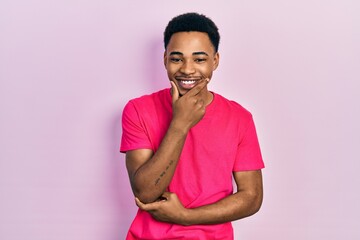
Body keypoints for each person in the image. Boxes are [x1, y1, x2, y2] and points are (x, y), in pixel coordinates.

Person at [120, 12, 265, 240]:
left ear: (215, 61)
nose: (187, 70)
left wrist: (186, 216)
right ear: (165, 59)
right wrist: (180, 123)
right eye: (177, 59)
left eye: (199, 59)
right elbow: (146, 193)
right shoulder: (138, 109)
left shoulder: (240, 117)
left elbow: (252, 197)